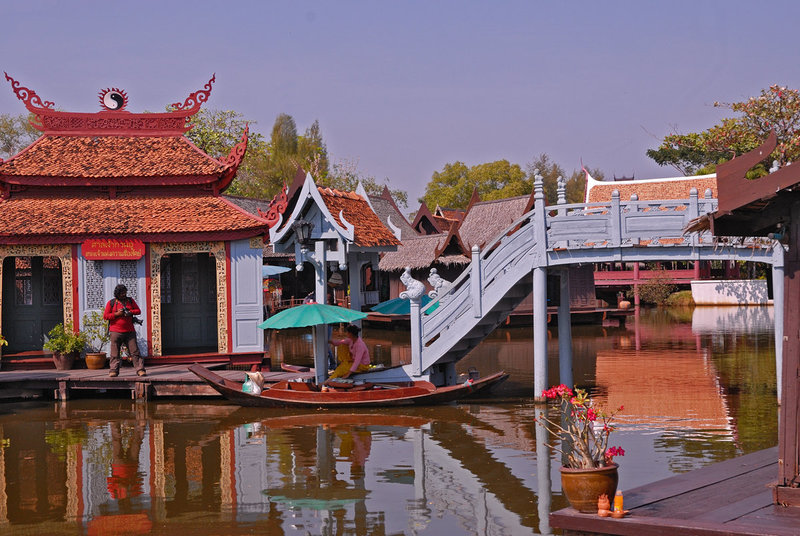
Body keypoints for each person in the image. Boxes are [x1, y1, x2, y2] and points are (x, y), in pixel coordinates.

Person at [103, 284, 145, 377]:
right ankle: (113, 370)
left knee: (135, 351)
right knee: (115, 353)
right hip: (115, 331)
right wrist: (117, 314)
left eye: (125, 292)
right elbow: (105, 316)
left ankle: (140, 369)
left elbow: (138, 311)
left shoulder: (130, 300)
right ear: (117, 294)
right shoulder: (112, 303)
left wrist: (130, 312)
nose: (124, 295)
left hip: (130, 331)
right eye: (122, 293)